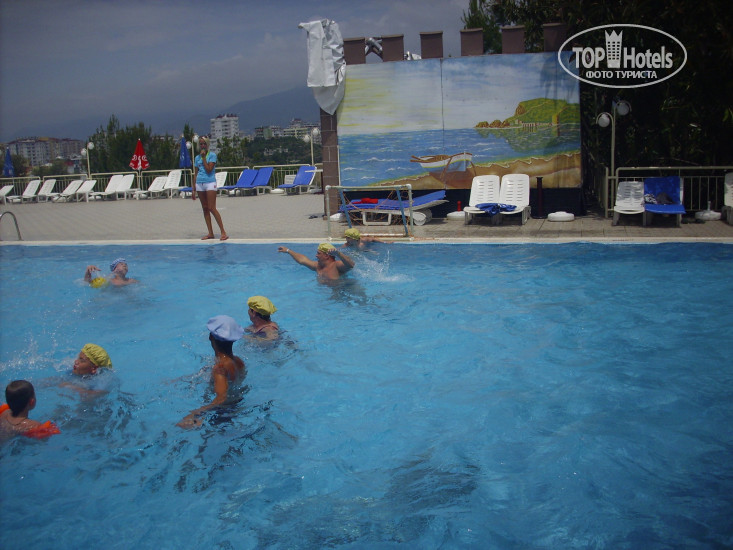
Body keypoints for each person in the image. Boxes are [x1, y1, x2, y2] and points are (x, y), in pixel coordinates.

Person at [178, 315, 245, 429]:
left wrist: (195, 413)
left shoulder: (220, 368)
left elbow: (221, 398)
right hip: (237, 404)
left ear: (211, 337)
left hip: (221, 412)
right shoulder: (239, 362)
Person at [193, 136, 229, 241]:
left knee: (211, 207)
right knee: (205, 208)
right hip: (200, 183)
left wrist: (204, 158)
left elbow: (209, 169)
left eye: (204, 143)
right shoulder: (197, 158)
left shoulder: (212, 155)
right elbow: (195, 173)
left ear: (207, 144)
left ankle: (223, 232)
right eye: (201, 144)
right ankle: (210, 232)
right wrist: (193, 188)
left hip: (210, 182)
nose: (203, 145)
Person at [277, 243, 354, 281]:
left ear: (326, 256)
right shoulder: (317, 266)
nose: (316, 255)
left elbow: (351, 264)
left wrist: (339, 254)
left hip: (341, 292)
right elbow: (302, 260)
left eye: (318, 253)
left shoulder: (336, 265)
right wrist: (288, 250)